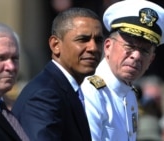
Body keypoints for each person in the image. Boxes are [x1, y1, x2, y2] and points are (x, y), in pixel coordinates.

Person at [80, 0, 164, 141]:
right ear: (108, 47)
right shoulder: (91, 92)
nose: (136, 56)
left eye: (144, 51)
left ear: (151, 60)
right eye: (129, 46)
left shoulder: (129, 93)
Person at [12, 7, 104, 141]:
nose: (93, 48)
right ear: (55, 45)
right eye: (83, 39)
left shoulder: (67, 89)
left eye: (98, 40)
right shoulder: (45, 96)